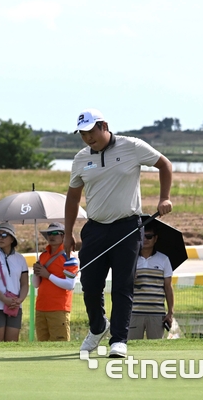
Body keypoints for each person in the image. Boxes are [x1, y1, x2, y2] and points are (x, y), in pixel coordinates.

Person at [64, 108, 173, 358]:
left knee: (123, 286)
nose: (88, 138)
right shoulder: (81, 158)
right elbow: (73, 198)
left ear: (104, 126)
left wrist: (164, 198)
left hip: (126, 227)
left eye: (91, 132)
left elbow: (164, 165)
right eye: (83, 134)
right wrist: (69, 232)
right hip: (95, 229)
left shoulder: (131, 146)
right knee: (90, 286)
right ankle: (98, 326)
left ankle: (119, 340)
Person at [0, 222, 29, 342]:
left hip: (15, 306)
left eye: (4, 235)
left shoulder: (20, 259)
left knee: (12, 343)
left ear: (12, 239)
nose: (0, 238)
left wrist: (20, 300)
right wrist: (4, 299)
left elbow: (24, 283)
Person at [32, 222, 79, 342]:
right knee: (42, 346)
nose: (51, 236)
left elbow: (70, 285)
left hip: (59, 308)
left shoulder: (69, 258)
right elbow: (36, 284)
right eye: (49, 234)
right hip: (41, 307)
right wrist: (36, 272)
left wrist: (47, 275)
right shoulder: (42, 256)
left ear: (64, 236)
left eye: (55, 233)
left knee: (60, 344)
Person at [128, 224, 174, 340]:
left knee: (156, 348)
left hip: (157, 314)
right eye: (142, 236)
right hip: (134, 312)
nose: (145, 239)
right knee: (132, 347)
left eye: (149, 236)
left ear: (155, 238)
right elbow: (121, 285)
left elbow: (168, 287)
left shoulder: (164, 259)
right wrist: (129, 279)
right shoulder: (130, 259)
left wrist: (170, 312)